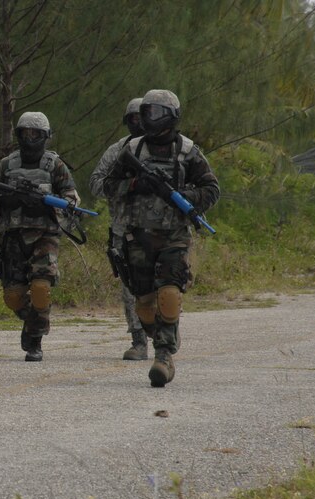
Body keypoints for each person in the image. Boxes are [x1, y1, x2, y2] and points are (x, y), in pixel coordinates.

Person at [103, 89, 219, 387]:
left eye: (156, 112)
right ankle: (163, 336)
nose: (149, 118)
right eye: (146, 112)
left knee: (168, 294)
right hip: (136, 237)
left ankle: (164, 357)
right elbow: (108, 186)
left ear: (171, 116)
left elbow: (211, 189)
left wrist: (182, 195)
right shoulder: (132, 150)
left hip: (174, 237)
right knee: (144, 304)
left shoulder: (188, 152)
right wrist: (135, 184)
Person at [0, 112, 81, 362]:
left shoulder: (55, 165)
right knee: (13, 296)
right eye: (25, 133)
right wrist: (9, 200)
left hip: (44, 236)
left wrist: (46, 205)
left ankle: (35, 340)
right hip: (13, 237)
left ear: (45, 136)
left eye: (36, 134)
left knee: (40, 287)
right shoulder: (7, 165)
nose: (30, 138)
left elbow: (72, 200)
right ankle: (32, 322)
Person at [89, 98, 149, 360]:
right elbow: (95, 184)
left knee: (166, 285)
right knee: (130, 288)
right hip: (125, 231)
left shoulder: (171, 149)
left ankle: (166, 331)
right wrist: (127, 184)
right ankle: (139, 341)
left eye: (143, 117)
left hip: (163, 230)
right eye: (134, 118)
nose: (139, 123)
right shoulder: (117, 151)